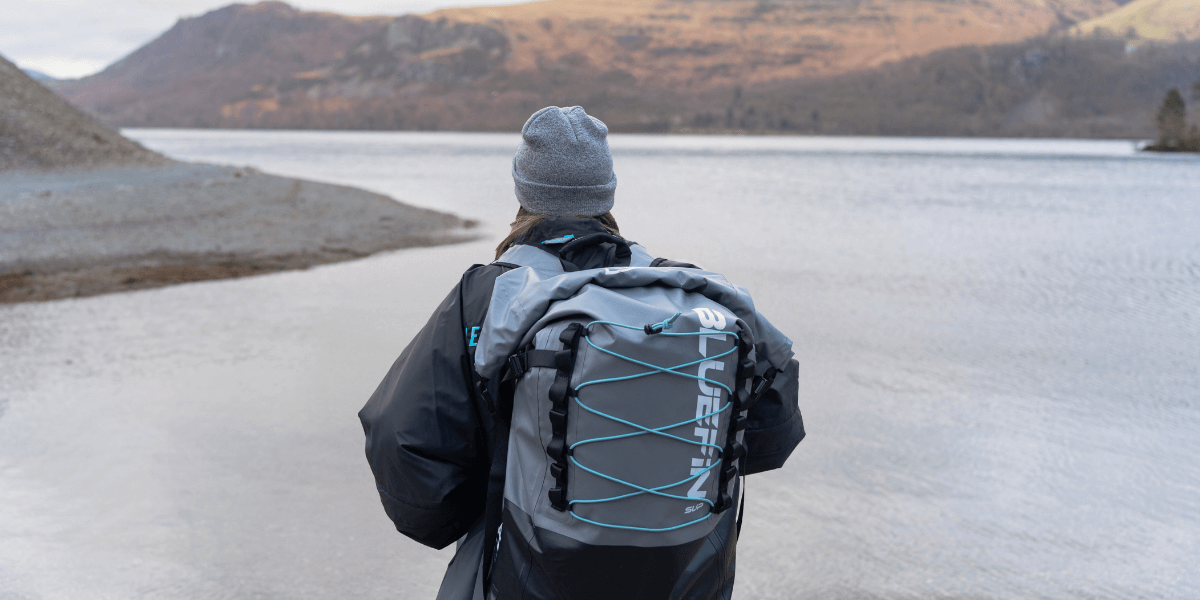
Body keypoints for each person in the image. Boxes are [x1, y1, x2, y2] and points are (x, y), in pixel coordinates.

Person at [359, 106, 805, 600]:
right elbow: (773, 434)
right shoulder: (697, 294)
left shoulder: (488, 295)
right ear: (607, 192)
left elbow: (402, 439)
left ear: (523, 190)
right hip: (683, 575)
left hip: (535, 572)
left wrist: (486, 502)